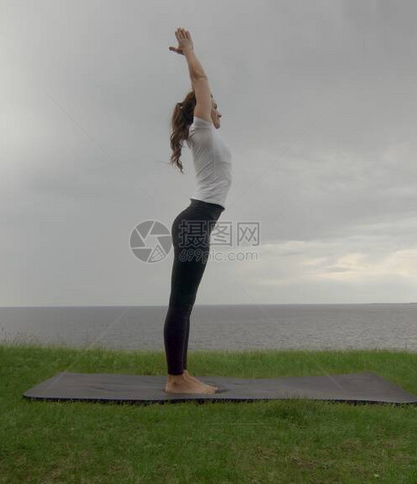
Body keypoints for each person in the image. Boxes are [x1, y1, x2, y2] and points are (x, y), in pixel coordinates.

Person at [163, 28, 232, 394]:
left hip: (197, 222)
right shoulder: (202, 130)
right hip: (195, 222)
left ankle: (182, 375)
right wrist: (190, 52)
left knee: (185, 304)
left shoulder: (205, 135)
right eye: (213, 105)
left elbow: (199, 85)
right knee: (182, 302)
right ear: (202, 111)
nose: (218, 110)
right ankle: (176, 379)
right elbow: (201, 79)